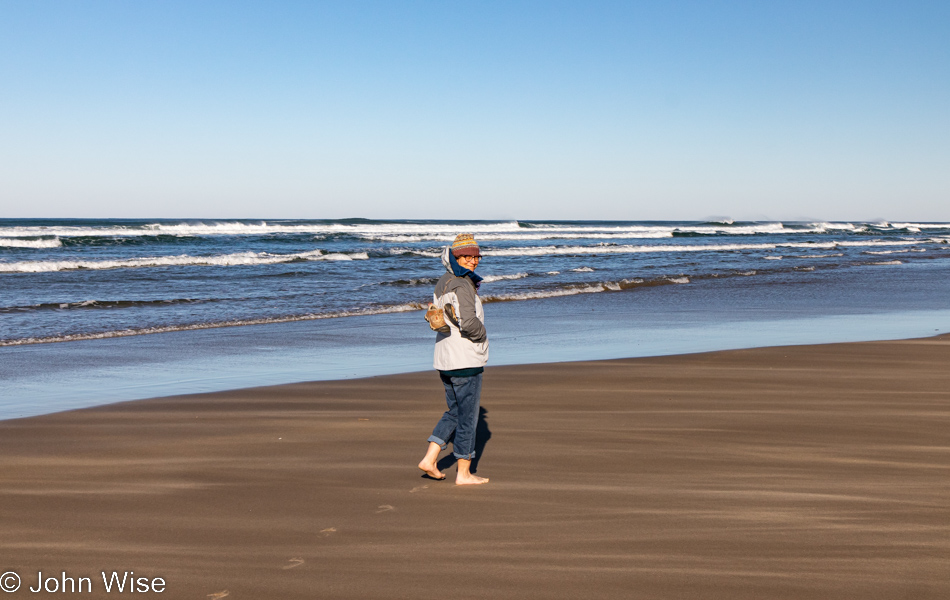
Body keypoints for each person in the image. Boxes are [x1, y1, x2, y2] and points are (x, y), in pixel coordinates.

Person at [417, 233, 490, 485]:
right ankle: (464, 473)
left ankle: (430, 458)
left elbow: (436, 318)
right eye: (467, 256)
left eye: (476, 256)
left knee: (455, 412)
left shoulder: (443, 282)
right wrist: (482, 335)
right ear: (456, 257)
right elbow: (469, 323)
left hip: (445, 359)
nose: (473, 261)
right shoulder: (463, 284)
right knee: (468, 418)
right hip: (465, 360)